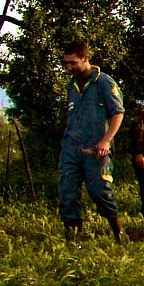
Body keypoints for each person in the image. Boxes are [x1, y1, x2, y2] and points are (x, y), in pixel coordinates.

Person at [58, 41, 125, 241]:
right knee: (67, 193)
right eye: (66, 64)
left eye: (73, 63)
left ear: (85, 59)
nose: (69, 68)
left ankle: (118, 232)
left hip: (95, 150)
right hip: (71, 148)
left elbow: (118, 113)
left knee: (100, 193)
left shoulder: (104, 82)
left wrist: (106, 141)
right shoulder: (71, 84)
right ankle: (74, 239)